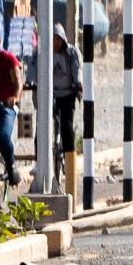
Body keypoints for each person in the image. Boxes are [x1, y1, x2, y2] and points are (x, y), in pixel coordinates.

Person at [0, 28, 23, 186]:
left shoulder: (8, 58)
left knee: (2, 137)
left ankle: (10, 166)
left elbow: (18, 81)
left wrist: (15, 98)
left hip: (5, 106)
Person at [51, 24, 82, 181]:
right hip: (51, 94)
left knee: (66, 127)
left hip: (67, 93)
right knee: (41, 130)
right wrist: (30, 81)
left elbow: (77, 69)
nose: (55, 43)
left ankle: (70, 165)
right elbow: (34, 68)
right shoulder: (44, 53)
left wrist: (78, 83)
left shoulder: (70, 53)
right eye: (53, 40)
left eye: (58, 40)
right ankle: (40, 161)